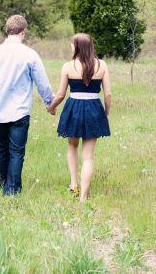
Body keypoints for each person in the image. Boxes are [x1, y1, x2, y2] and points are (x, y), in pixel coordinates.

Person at [0, 15, 54, 196]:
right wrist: (50, 102)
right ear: (23, 32)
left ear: (8, 30)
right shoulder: (30, 54)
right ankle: (12, 190)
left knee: (2, 148)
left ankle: (2, 183)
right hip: (20, 111)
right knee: (17, 151)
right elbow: (42, 82)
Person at [47, 33, 111, 202]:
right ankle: (83, 197)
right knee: (88, 157)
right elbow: (108, 95)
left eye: (72, 44)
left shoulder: (68, 66)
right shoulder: (102, 65)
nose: (71, 46)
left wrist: (51, 107)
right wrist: (106, 114)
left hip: (74, 108)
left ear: (77, 47)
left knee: (72, 146)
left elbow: (60, 94)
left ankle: (74, 184)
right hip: (94, 109)